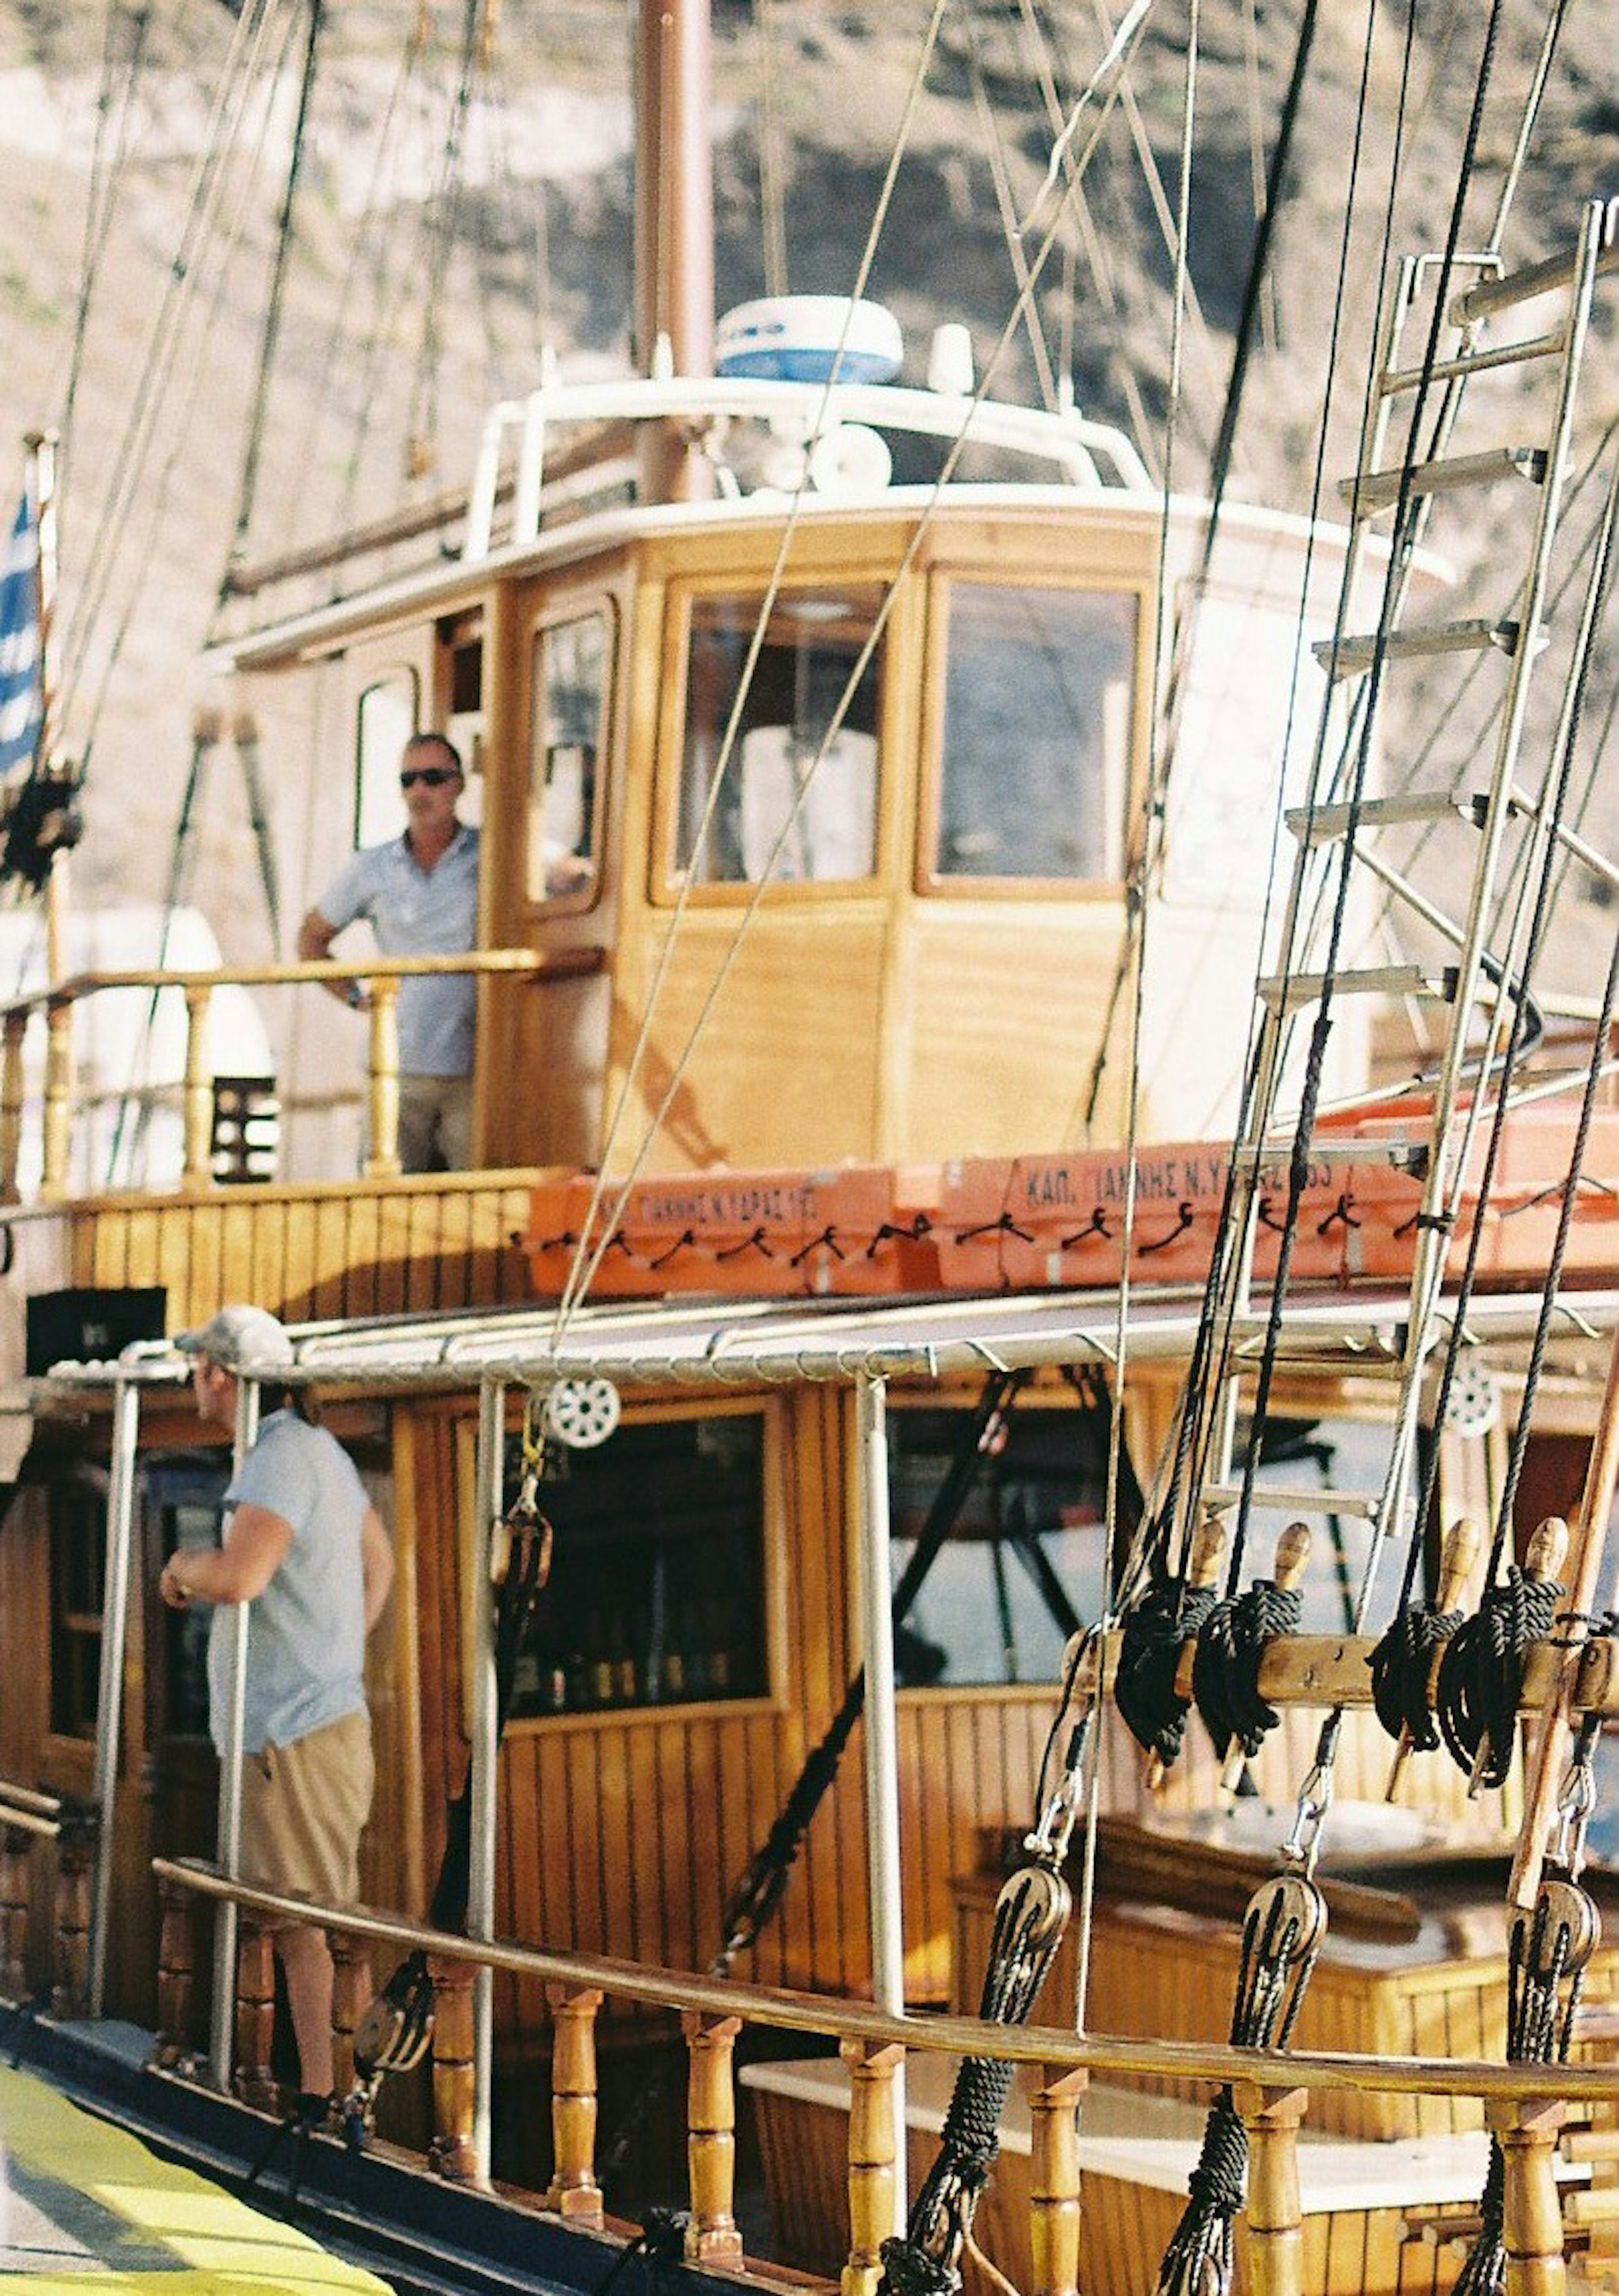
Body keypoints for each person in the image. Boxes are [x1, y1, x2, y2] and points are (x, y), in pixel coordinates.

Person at [159, 1303, 394, 2099]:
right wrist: (337, 1655)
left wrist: (182, 1569)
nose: (195, 1379)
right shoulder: (320, 1451)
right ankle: (341, 2105)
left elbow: (241, 1578)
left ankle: (331, 2106)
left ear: (220, 1376)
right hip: (323, 1724)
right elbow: (381, 1567)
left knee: (302, 1928)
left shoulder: (275, 1458)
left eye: (198, 1367)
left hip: (289, 1738)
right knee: (325, 1924)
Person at [297, 731, 480, 1173]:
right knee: (390, 1204)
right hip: (398, 1067)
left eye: (434, 778)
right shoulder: (373, 868)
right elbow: (311, 940)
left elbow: (566, 876)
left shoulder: (491, 856)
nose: (420, 791)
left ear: (458, 785)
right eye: (408, 780)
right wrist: (358, 998)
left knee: (476, 1204)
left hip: (476, 1064)